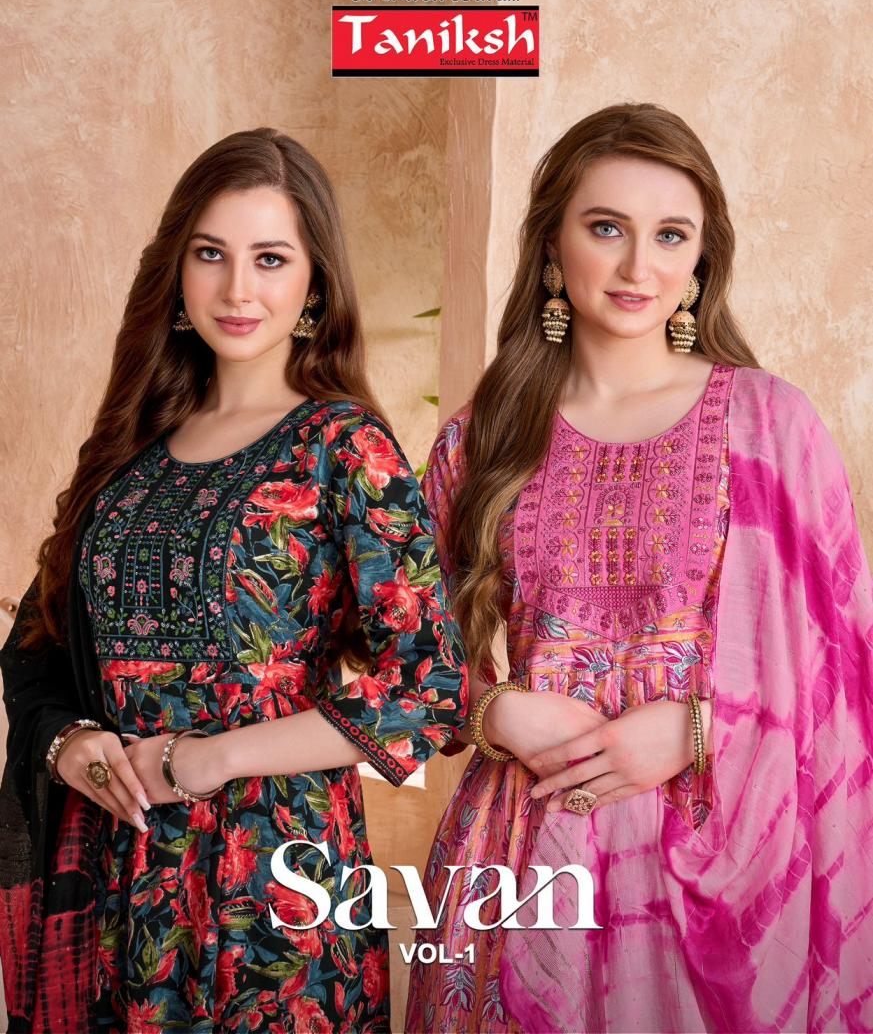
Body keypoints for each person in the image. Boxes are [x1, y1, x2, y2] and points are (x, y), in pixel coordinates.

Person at [405, 102, 873, 1033]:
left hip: (724, 858)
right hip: (519, 849)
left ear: (701, 259)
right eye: (605, 228)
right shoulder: (481, 436)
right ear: (552, 244)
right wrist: (496, 709)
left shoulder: (770, 425)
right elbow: (404, 652)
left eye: (669, 236)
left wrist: (700, 728)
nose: (637, 268)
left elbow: (842, 672)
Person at [0, 127, 466, 1033]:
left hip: (274, 878)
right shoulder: (131, 449)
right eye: (210, 254)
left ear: (314, 283)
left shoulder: (343, 446)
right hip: (120, 874)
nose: (237, 289)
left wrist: (209, 758)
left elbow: (429, 688)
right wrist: (69, 745)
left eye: (270, 258)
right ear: (176, 271)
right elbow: (39, 643)